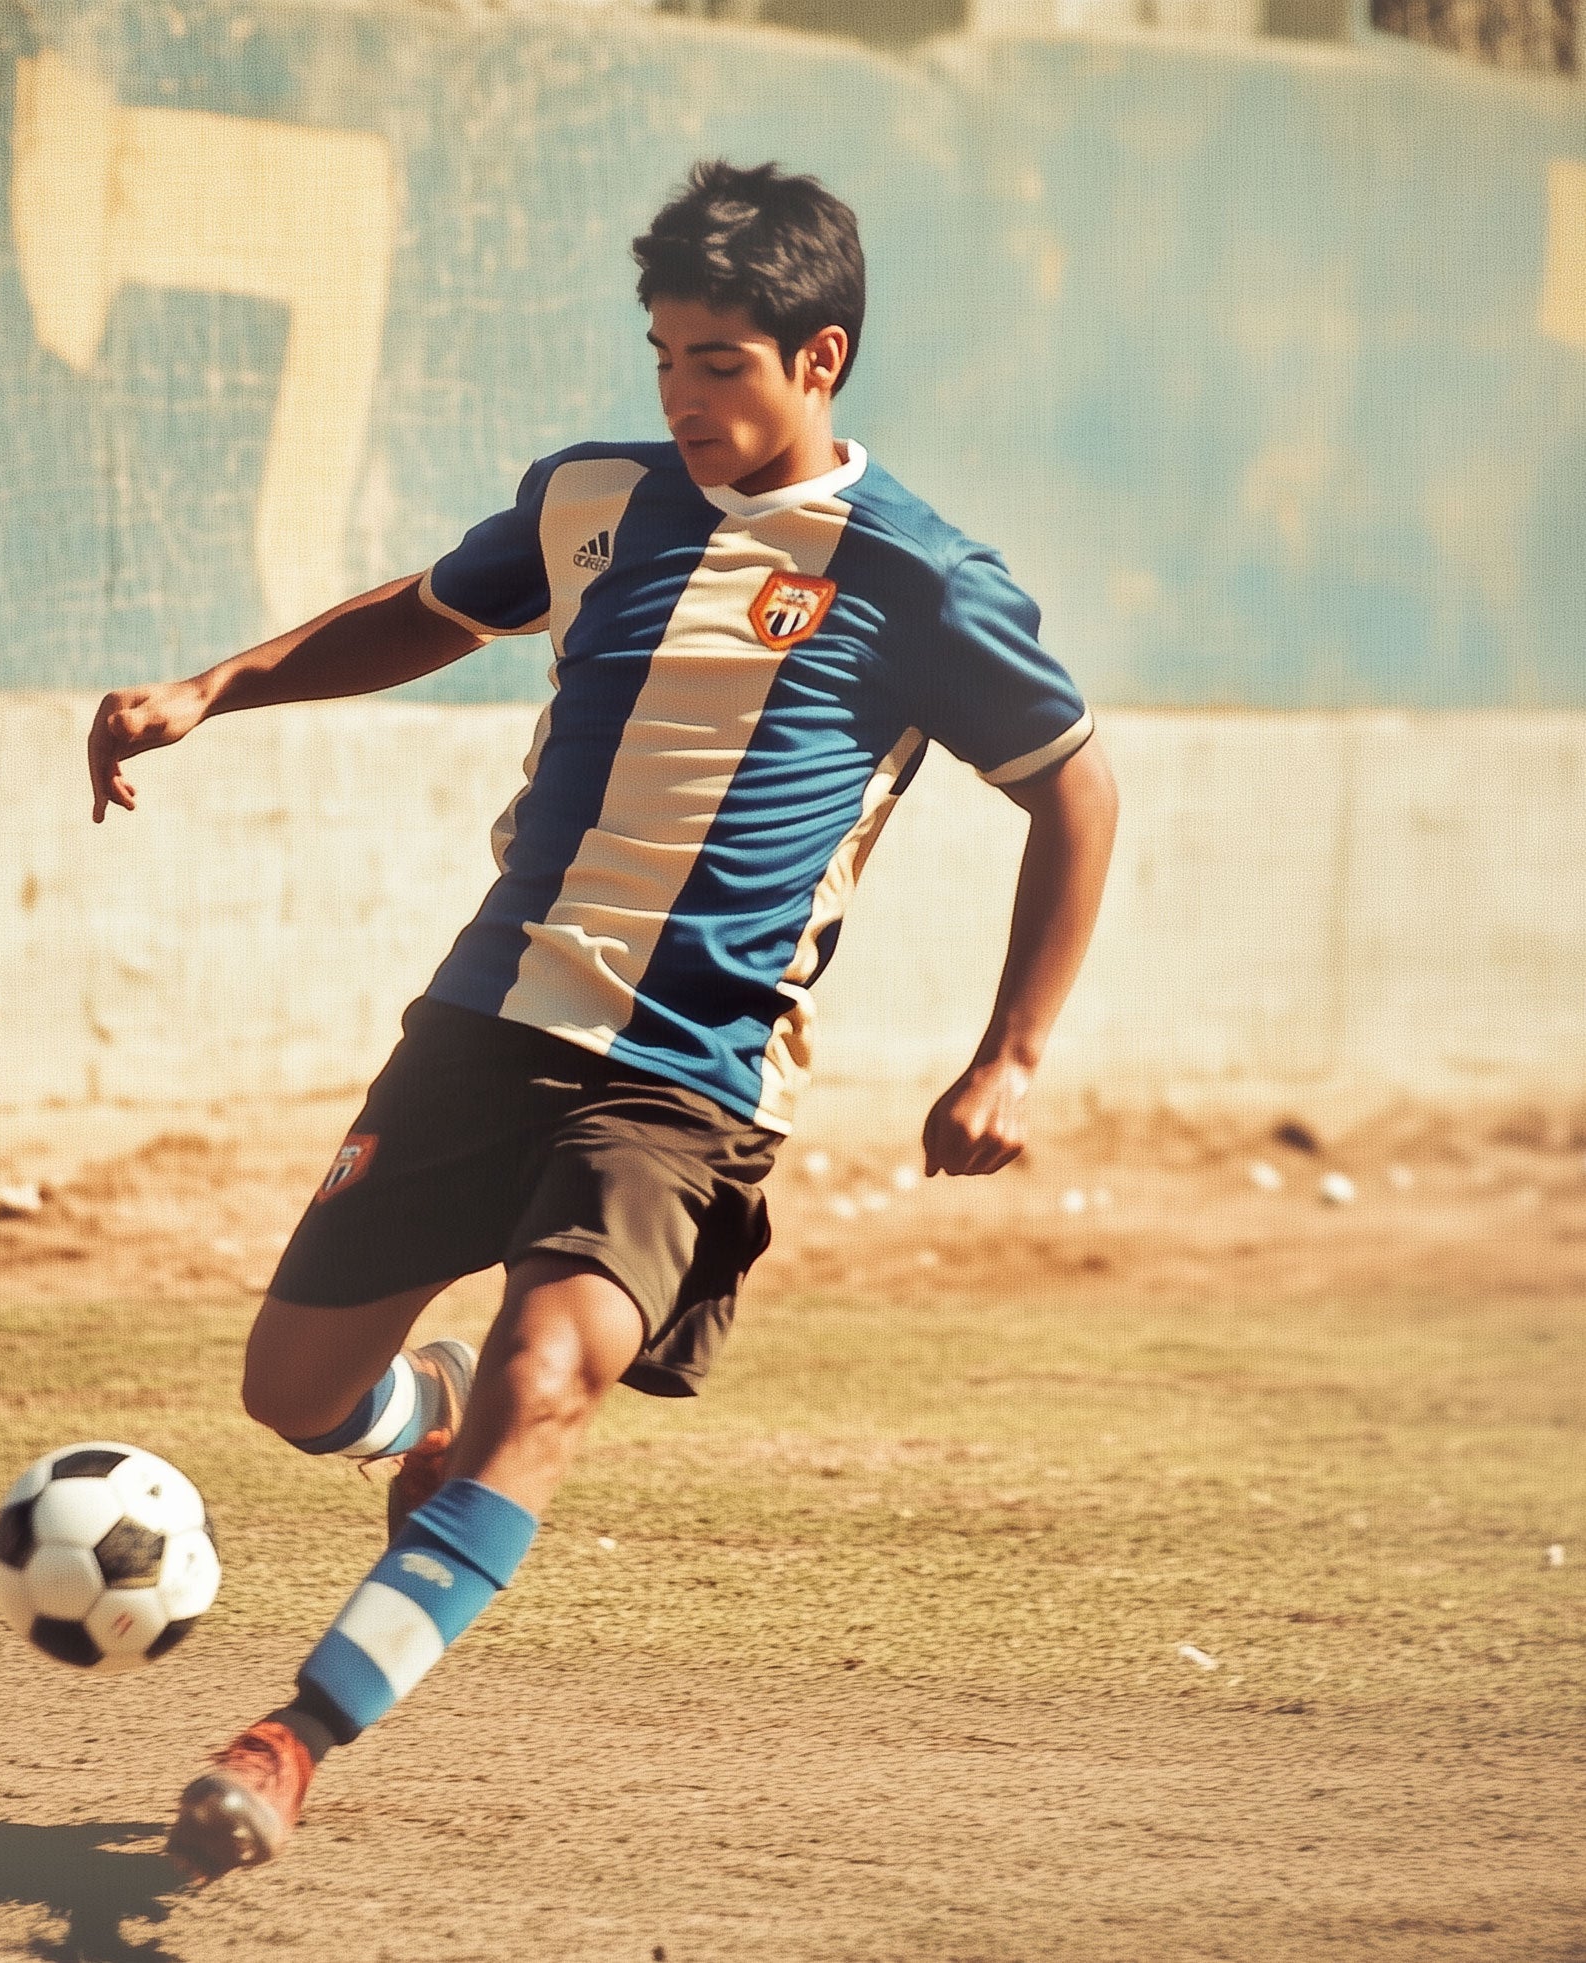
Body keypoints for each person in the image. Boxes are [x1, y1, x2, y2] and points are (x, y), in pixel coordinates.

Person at [86, 159, 1118, 1884]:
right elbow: (423, 612)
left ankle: (288, 1745)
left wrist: (1012, 1050)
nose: (685, 398)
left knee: (553, 1375)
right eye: (664, 358)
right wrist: (218, 686)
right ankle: (415, 1420)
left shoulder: (921, 579)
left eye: (722, 362)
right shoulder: (593, 502)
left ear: (822, 357)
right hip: (490, 1016)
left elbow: (1075, 793)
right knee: (290, 1389)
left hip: (690, 1080)